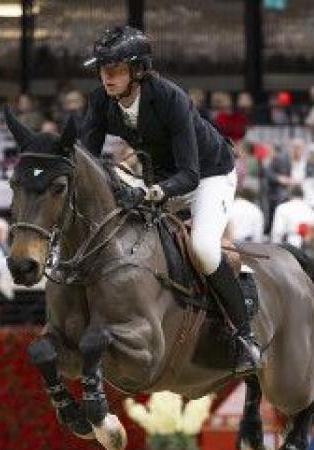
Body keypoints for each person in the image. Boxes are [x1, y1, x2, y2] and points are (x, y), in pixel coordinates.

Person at [80, 25, 259, 373]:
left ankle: (245, 337)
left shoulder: (170, 97)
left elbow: (190, 174)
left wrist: (150, 192)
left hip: (209, 175)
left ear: (138, 70)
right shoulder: (101, 100)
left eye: (115, 69)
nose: (107, 77)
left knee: (204, 249)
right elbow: (86, 157)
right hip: (158, 176)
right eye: (103, 70)